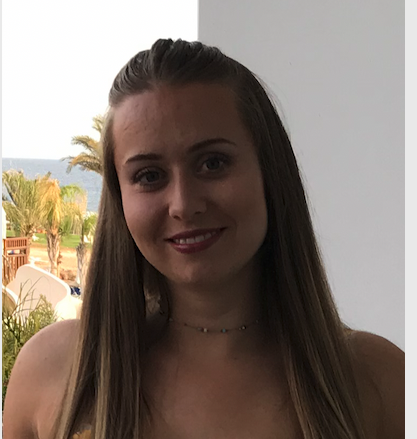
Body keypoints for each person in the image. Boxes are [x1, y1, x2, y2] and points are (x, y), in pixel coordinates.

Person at [3, 39, 404, 439]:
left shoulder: (380, 382)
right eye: (149, 175)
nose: (183, 204)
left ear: (269, 173)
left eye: (213, 163)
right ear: (119, 197)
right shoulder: (52, 371)